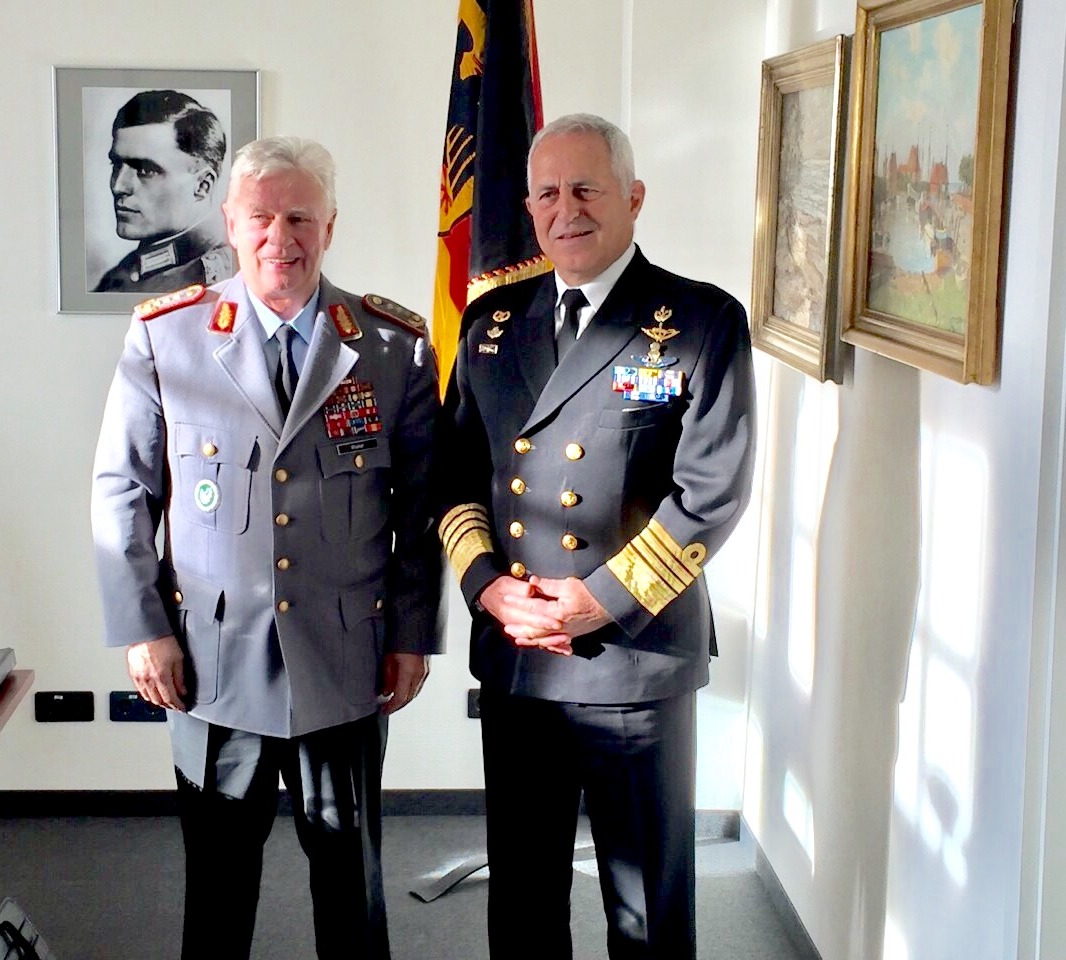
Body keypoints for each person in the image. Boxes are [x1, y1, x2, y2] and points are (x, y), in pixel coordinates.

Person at [91, 136, 442, 959]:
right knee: (217, 889)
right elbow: (122, 490)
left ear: (330, 226)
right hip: (213, 660)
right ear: (230, 223)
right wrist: (144, 629)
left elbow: (422, 509)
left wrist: (412, 635)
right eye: (261, 217)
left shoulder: (392, 346)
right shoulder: (167, 337)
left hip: (344, 660)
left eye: (299, 219)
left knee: (350, 886)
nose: (279, 237)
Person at [437, 113, 756, 959]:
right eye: (547, 194)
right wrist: (488, 588)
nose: (565, 210)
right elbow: (454, 475)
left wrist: (596, 600)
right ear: (530, 209)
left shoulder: (701, 320)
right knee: (523, 899)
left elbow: (712, 492)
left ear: (634, 197)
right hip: (519, 655)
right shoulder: (491, 322)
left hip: (634, 657)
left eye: (586, 189)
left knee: (645, 907)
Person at [93, 89, 235, 292]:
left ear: (203, 185)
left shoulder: (218, 281)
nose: (118, 186)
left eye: (146, 170)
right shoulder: (119, 276)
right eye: (116, 165)